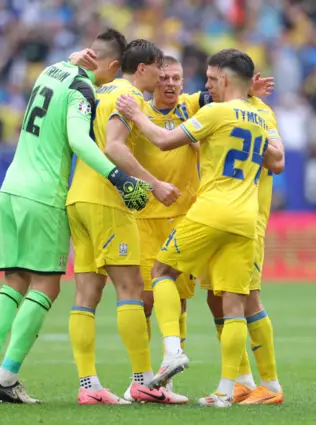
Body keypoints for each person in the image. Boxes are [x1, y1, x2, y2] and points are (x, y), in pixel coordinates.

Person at [67, 52, 275, 400]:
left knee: (180, 302)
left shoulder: (193, 107)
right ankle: (149, 375)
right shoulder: (136, 109)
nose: (171, 84)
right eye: (164, 78)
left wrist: (247, 89)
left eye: (177, 78)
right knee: (146, 300)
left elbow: (225, 95)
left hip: (189, 216)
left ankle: (168, 375)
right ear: (151, 79)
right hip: (147, 218)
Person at [0, 29, 152, 405]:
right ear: (114, 65)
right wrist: (118, 177)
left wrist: (71, 58)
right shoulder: (83, 88)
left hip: (11, 188)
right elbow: (79, 139)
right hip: (44, 194)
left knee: (14, 282)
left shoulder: (51, 70)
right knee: (47, 286)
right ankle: (6, 377)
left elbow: (66, 69)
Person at [66, 39, 185, 405]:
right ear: (143, 68)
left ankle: (89, 386)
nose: (161, 77)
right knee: (132, 289)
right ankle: (143, 382)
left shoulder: (98, 90)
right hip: (107, 201)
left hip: (78, 197)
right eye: (158, 69)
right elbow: (114, 147)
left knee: (86, 295)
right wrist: (154, 183)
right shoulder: (124, 96)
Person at [199, 49, 286, 405]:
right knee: (216, 298)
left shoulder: (263, 113)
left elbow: (277, 160)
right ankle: (242, 380)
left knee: (247, 298)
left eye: (214, 78)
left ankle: (271, 385)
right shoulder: (232, 107)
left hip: (248, 219)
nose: (209, 86)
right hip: (221, 214)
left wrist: (251, 100)